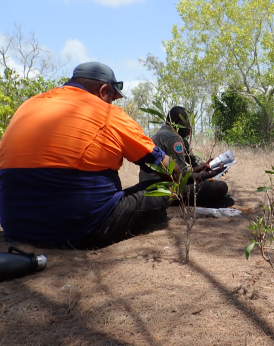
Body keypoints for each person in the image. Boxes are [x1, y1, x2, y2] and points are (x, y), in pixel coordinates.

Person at [0, 62, 181, 249]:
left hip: (15, 228)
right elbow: (169, 169)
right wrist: (179, 180)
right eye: (112, 97)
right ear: (104, 91)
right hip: (78, 230)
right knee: (162, 187)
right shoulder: (107, 113)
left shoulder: (28, 105)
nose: (112, 103)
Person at [139, 106, 228, 204]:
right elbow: (183, 175)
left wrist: (203, 166)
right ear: (177, 122)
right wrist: (211, 174)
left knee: (206, 183)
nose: (190, 127)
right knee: (220, 187)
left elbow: (180, 170)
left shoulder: (166, 134)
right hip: (161, 189)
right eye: (187, 124)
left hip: (151, 186)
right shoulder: (172, 138)